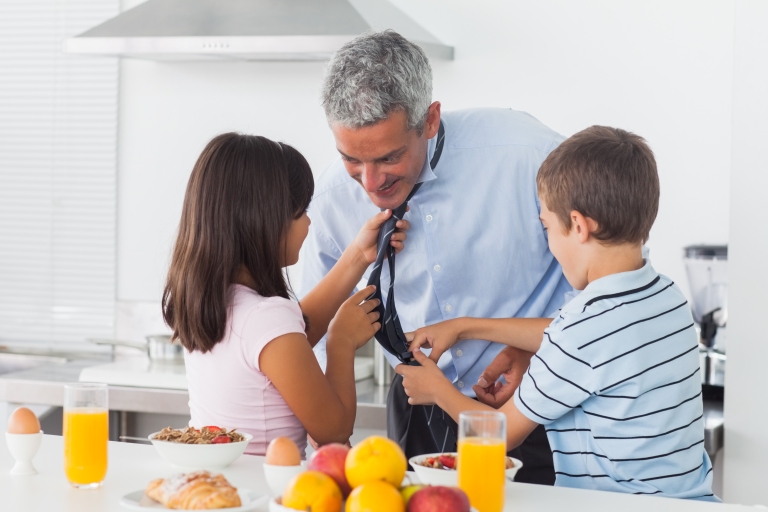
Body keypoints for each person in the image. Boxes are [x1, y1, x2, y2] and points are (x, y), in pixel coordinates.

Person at [298, 30, 572, 484]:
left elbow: (605, 276)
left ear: (429, 120)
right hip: (415, 408)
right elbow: (314, 331)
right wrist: (330, 438)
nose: (370, 182)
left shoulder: (530, 155)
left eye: (388, 158)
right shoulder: (330, 199)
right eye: (351, 159)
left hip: (535, 402)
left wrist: (538, 353)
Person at [398, 126, 717, 500]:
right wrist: (464, 327)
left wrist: (437, 391)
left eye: (547, 227)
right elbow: (573, 334)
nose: (549, 241)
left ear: (578, 226)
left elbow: (500, 433)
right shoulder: (666, 296)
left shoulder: (583, 331)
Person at [161, 132, 410, 457]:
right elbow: (334, 429)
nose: (308, 221)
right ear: (264, 220)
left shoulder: (214, 302)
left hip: (220, 485)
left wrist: (357, 256)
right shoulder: (267, 318)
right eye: (300, 211)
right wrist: (341, 341)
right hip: (272, 493)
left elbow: (287, 337)